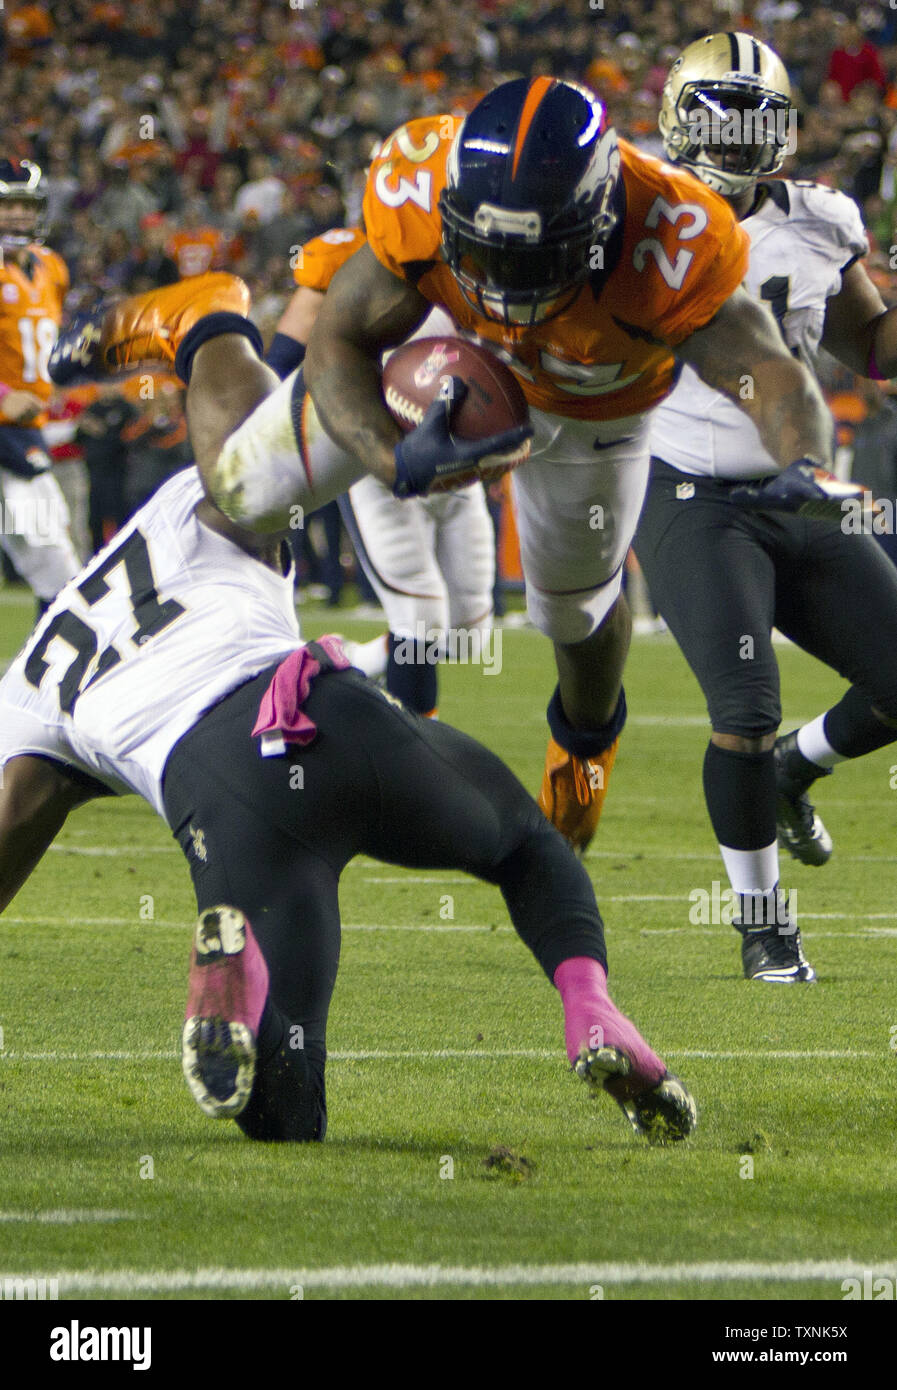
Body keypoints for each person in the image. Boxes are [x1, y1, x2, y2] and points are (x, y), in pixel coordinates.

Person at [0, 272, 697, 1146]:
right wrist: (186, 325)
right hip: (335, 720)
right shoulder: (202, 499)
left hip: (227, 794)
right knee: (527, 847)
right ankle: (592, 1010)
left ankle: (241, 976)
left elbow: (12, 828)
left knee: (285, 1117)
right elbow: (231, 401)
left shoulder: (27, 694)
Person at [298, 76, 854, 856]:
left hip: (591, 411)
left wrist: (807, 462)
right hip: (453, 359)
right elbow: (336, 340)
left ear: (598, 223)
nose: (506, 281)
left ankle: (581, 755)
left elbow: (765, 369)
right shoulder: (415, 185)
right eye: (489, 250)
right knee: (250, 477)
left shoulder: (670, 236)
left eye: (535, 256)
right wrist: (389, 458)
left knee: (568, 615)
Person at [634, 32, 897, 984]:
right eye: (722, 119)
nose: (741, 142)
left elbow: (871, 350)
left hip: (800, 490)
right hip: (689, 494)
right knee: (741, 706)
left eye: (758, 120)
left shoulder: (821, 217)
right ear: (677, 119)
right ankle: (761, 921)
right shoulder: (639, 212)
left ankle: (800, 766)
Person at [269, 224, 495, 716]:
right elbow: (282, 361)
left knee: (466, 635)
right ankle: (418, 747)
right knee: (419, 618)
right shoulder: (342, 256)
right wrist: (355, 410)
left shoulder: (479, 254)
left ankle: (334, 661)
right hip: (382, 468)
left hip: (457, 467)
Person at [0, 158, 82, 617]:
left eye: (25, 206)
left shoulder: (51, 266)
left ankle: (49, 661)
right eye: (6, 205)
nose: (17, 216)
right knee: (48, 547)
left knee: (48, 547)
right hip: (6, 425)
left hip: (23, 428)